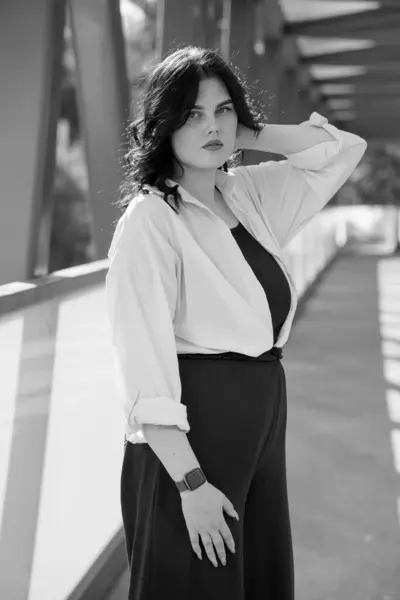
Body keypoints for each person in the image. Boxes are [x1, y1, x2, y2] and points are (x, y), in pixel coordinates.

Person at [105, 46, 367, 600]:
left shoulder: (245, 194)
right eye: (192, 113)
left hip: (261, 418)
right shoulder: (150, 220)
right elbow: (144, 373)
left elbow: (340, 151)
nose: (211, 126)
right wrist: (191, 483)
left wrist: (247, 134)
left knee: (256, 577)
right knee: (199, 582)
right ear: (163, 123)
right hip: (197, 436)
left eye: (222, 110)